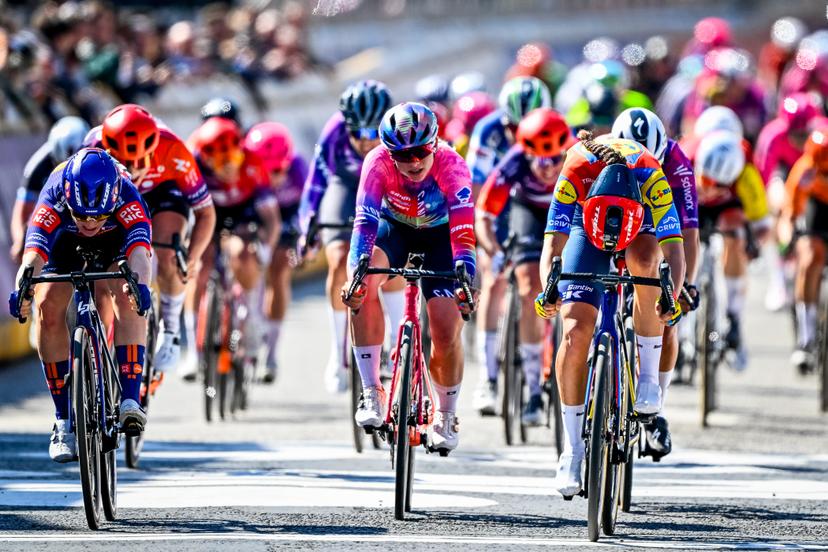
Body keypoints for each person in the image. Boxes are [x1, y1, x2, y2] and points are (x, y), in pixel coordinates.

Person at [536, 131, 686, 497]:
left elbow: (674, 250)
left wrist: (672, 296)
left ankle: (648, 378)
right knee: (574, 332)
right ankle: (571, 449)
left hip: (640, 224)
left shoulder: (651, 175)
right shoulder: (574, 168)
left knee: (646, 263)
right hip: (583, 227)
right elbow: (552, 245)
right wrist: (550, 290)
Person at [341, 102, 476, 454]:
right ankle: (372, 390)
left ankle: (446, 415)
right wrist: (355, 271)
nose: (414, 162)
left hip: (441, 236)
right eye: (403, 155)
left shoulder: (453, 166)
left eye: (420, 152)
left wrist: (466, 275)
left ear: (433, 145)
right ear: (389, 152)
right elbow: (365, 222)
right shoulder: (377, 163)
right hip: (395, 229)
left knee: (446, 329)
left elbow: (463, 231)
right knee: (364, 283)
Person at [9, 148, 153, 462]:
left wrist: (139, 287)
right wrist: (24, 288)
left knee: (126, 294)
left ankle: (130, 399)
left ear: (112, 201)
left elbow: (140, 252)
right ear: (69, 201)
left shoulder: (126, 193)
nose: (89, 222)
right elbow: (33, 253)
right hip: (63, 242)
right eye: (82, 215)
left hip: (115, 242)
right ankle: (63, 421)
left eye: (98, 215)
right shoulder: (55, 191)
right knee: (47, 305)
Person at [84, 104, 216, 374]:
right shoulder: (92, 145)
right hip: (115, 197)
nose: (132, 169)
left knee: (168, 254)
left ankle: (170, 329)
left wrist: (191, 257)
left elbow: (205, 212)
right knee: (100, 278)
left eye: (139, 162)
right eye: (124, 161)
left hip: (162, 193)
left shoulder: (174, 150)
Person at [298, 80, 405, 393]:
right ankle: (338, 350)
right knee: (339, 258)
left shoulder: (399, 131)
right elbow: (316, 183)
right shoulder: (334, 131)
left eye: (373, 133)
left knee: (392, 260)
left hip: (387, 189)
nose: (365, 141)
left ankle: (397, 342)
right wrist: (308, 227)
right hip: (346, 188)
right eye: (357, 133)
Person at [611, 107, 700, 459]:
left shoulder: (677, 163)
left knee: (666, 312)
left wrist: (684, 285)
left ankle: (656, 408)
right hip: (613, 213)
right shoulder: (603, 153)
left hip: (657, 218)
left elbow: (688, 230)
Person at [475, 107, 571, 425]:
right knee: (530, 289)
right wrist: (494, 250)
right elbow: (484, 215)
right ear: (528, 154)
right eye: (540, 161)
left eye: (555, 161)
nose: (548, 169)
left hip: (567, 208)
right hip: (527, 212)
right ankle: (533, 391)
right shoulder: (514, 161)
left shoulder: (578, 156)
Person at [466, 75, 551, 416]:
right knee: (494, 277)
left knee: (538, 285)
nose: (519, 133)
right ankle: (488, 379)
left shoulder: (554, 129)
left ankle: (538, 374)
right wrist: (485, 244)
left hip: (540, 204)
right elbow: (476, 188)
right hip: (500, 201)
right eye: (513, 125)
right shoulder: (488, 130)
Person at [189, 117, 281, 373]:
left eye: (233, 160)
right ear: (206, 159)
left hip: (243, 214)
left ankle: (250, 314)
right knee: (200, 266)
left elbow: (272, 220)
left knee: (243, 254)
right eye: (221, 163)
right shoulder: (193, 164)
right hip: (208, 213)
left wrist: (264, 250)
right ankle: (194, 349)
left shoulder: (252, 162)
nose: (229, 169)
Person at [694, 130, 770, 370]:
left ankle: (734, 315)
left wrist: (750, 246)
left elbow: (762, 225)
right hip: (693, 202)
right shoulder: (687, 155)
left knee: (734, 233)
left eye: (719, 185)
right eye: (707, 181)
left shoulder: (746, 174)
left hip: (730, 208)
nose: (711, 190)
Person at [243, 122, 309, 383]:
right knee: (248, 258)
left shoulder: (298, 168)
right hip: (258, 217)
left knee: (279, 271)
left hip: (289, 220)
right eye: (265, 170)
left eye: (278, 170)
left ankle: (271, 351)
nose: (272, 177)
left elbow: (308, 209)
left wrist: (304, 240)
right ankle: (245, 313)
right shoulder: (246, 169)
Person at [9, 116, 90, 264]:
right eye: (58, 163)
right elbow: (22, 210)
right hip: (58, 217)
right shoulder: (38, 165)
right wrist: (21, 243)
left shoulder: (98, 154)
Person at [782, 126, 828, 372]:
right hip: (815, 210)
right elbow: (790, 211)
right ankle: (806, 336)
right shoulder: (805, 169)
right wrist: (789, 240)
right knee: (809, 257)